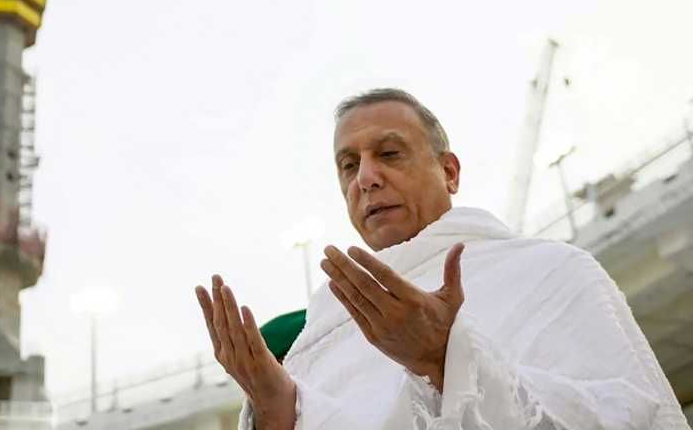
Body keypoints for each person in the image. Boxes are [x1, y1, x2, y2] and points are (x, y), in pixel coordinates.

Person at [195, 88, 689, 429]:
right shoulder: (325, 330)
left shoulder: (550, 273)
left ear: (449, 171)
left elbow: (628, 417)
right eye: (349, 165)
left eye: (388, 154)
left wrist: (445, 361)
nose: (365, 178)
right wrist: (278, 407)